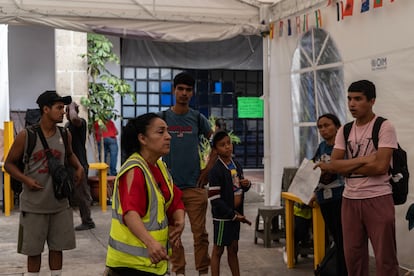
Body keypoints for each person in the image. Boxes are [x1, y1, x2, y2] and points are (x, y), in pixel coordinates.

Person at [314, 80, 399, 276]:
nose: (352, 104)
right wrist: (366, 159)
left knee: (385, 258)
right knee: (353, 257)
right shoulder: (345, 129)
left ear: (372, 101)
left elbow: (381, 166)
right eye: (350, 99)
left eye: (358, 99)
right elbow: (334, 165)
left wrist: (348, 166)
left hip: (378, 197)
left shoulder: (384, 127)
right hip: (350, 199)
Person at [4, 90, 84, 276]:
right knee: (33, 251)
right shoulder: (27, 135)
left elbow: (70, 155)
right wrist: (26, 180)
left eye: (63, 108)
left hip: (60, 204)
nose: (63, 112)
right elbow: (8, 164)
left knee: (58, 248)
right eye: (58, 108)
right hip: (34, 206)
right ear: (45, 109)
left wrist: (79, 168)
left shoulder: (65, 135)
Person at [105, 113, 185, 276]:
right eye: (161, 132)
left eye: (167, 131)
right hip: (130, 266)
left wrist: (180, 219)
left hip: (151, 264)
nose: (168, 137)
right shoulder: (134, 170)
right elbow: (130, 214)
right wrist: (151, 244)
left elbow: (174, 197)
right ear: (142, 138)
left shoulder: (159, 166)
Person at [159, 72, 213, 276]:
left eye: (188, 90)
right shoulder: (163, 118)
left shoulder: (197, 118)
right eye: (180, 89)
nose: (184, 93)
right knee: (174, 235)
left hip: (194, 188)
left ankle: (202, 271)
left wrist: (207, 169)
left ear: (192, 93)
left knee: (200, 235)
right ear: (174, 90)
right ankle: (179, 272)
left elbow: (217, 142)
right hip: (170, 190)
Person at [207, 130, 251, 276]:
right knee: (218, 250)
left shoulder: (236, 165)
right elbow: (215, 199)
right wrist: (231, 214)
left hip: (236, 214)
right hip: (223, 217)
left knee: (233, 248)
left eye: (229, 143)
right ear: (216, 150)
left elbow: (239, 187)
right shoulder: (216, 170)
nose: (227, 147)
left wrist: (247, 184)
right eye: (222, 145)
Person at [310, 113, 347, 276]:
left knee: (343, 239)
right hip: (324, 199)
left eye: (327, 125)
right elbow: (313, 170)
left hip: (341, 198)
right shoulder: (321, 147)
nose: (323, 130)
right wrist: (312, 191)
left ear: (338, 126)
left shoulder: (343, 147)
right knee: (336, 238)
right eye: (320, 127)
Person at [65, 102, 96, 231]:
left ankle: (88, 221)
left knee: (82, 193)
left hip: (80, 165)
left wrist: (72, 107)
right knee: (73, 194)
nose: (65, 113)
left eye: (66, 110)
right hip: (69, 164)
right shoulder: (67, 125)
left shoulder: (80, 123)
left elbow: (74, 118)